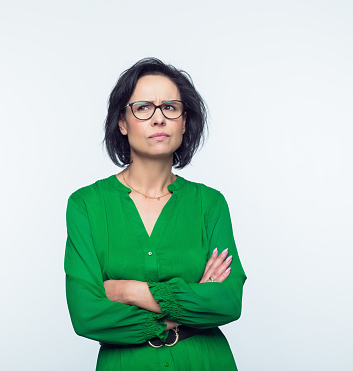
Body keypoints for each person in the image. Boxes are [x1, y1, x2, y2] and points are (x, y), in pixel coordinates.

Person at [64, 57, 247, 370]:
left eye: (170, 107)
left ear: (184, 121)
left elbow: (227, 302)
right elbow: (86, 315)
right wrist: (187, 304)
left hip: (204, 361)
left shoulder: (210, 203)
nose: (159, 119)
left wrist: (127, 291)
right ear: (122, 122)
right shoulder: (86, 205)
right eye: (144, 107)